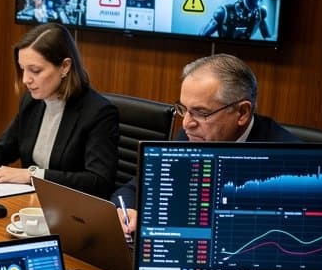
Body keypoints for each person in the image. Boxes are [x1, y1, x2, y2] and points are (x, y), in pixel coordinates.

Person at [112, 54, 298, 235]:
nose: (186, 124)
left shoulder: (288, 160)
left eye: (201, 112)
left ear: (242, 113)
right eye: (184, 109)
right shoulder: (190, 136)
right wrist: (126, 210)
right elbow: (133, 189)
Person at [0, 23, 118, 198]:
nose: (25, 79)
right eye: (22, 69)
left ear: (65, 67)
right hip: (31, 203)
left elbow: (99, 182)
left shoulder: (98, 113)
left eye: (35, 70)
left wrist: (32, 175)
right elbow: (6, 146)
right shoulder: (33, 101)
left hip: (72, 211)